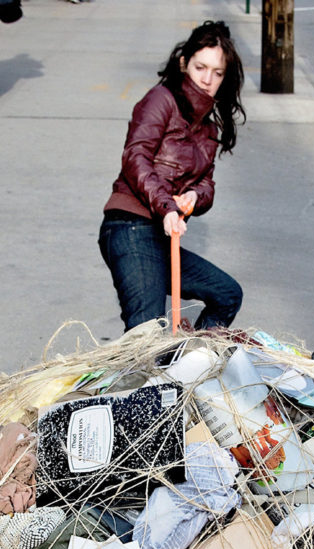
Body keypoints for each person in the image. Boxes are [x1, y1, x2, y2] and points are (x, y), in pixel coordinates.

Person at [98, 21, 246, 332]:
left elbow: (206, 182)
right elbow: (135, 156)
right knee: (146, 333)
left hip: (162, 234)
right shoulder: (161, 99)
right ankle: (141, 378)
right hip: (130, 226)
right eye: (200, 67)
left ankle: (189, 366)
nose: (207, 79)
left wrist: (195, 196)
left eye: (217, 73)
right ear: (184, 64)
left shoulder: (208, 127)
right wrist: (166, 206)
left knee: (227, 295)